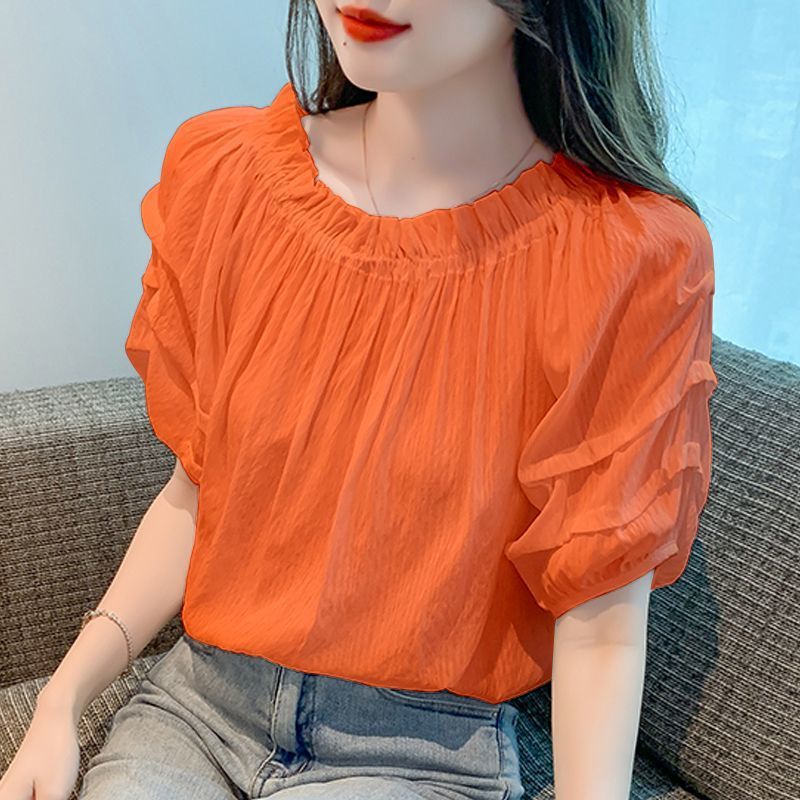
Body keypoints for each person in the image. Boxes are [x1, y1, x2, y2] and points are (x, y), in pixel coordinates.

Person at [0, 1, 718, 799]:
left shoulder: (622, 258)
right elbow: (196, 494)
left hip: (415, 749)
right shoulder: (232, 179)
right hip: (200, 706)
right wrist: (62, 700)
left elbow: (601, 613)